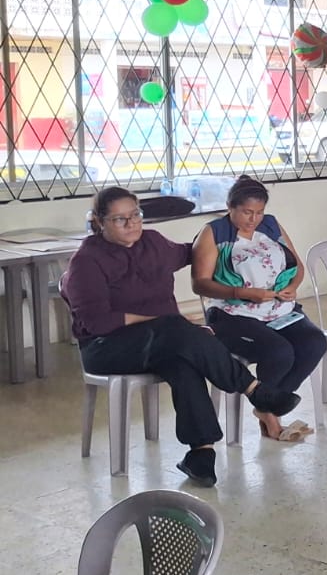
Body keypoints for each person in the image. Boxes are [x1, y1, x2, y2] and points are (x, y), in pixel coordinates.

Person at [60, 186, 301, 488]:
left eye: (136, 215)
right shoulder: (86, 261)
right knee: (177, 330)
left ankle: (201, 454)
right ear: (100, 222)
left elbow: (195, 252)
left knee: (184, 362)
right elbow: (98, 322)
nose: (131, 223)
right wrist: (164, 323)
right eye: (120, 219)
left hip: (165, 341)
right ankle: (253, 388)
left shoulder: (153, 243)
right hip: (107, 346)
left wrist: (227, 234)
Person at [190, 175, 326, 443]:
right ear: (230, 207)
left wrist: (293, 286)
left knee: (314, 343)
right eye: (247, 212)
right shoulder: (214, 233)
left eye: (259, 212)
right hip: (232, 315)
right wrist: (240, 293)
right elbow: (200, 284)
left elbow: (297, 265)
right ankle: (271, 416)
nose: (254, 219)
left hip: (278, 308)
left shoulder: (271, 225)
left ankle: (266, 408)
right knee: (279, 352)